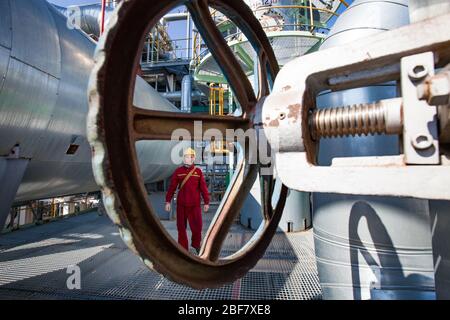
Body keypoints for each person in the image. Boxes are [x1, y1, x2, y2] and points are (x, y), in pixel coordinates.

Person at [165, 148, 210, 254]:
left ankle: (196, 244)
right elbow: (172, 187)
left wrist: (206, 202)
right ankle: (183, 248)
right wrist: (167, 201)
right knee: (181, 228)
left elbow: (203, 188)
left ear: (193, 158)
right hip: (181, 205)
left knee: (197, 227)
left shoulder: (198, 172)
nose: (185, 159)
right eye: (184, 157)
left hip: (195, 205)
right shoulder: (178, 172)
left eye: (188, 157)